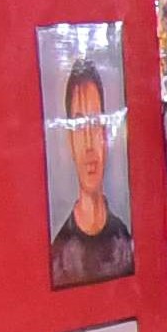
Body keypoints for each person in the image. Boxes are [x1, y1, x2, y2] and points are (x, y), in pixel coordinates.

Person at [48, 56, 134, 285]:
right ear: (69, 140)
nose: (88, 144)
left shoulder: (125, 242)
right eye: (78, 126)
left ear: (106, 135)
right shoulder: (59, 257)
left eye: (95, 122)